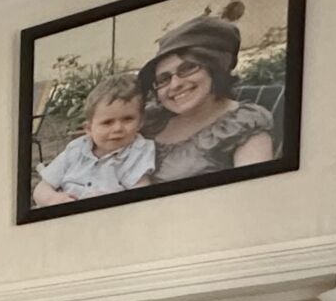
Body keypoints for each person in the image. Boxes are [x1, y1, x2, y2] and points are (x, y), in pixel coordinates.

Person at [136, 16, 275, 183]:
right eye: (163, 79)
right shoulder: (147, 121)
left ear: (215, 68)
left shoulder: (243, 124)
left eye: (188, 68)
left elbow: (255, 189)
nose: (175, 84)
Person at [33, 72, 157, 206]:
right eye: (107, 122)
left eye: (128, 119)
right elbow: (42, 187)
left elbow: (140, 193)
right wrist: (53, 199)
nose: (118, 128)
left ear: (140, 122)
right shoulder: (75, 149)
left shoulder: (138, 151)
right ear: (89, 129)